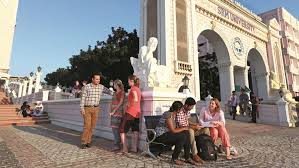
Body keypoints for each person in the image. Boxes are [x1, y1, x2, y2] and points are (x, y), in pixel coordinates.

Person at [155, 101, 197, 165]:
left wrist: (185, 128)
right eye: (181, 109)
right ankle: (174, 158)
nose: (181, 110)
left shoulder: (174, 114)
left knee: (186, 133)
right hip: (161, 136)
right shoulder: (168, 114)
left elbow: (176, 128)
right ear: (178, 109)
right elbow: (173, 130)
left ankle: (187, 157)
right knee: (182, 136)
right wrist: (184, 128)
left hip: (167, 134)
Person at [80, 74, 112, 149]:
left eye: (99, 79)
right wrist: (82, 108)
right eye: (97, 79)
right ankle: (84, 142)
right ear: (92, 79)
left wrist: (120, 93)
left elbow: (110, 92)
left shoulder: (101, 87)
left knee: (93, 126)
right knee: (87, 126)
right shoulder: (86, 87)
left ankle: (88, 141)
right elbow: (83, 98)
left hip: (96, 108)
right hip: (87, 108)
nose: (98, 80)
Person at [176, 97, 206, 164]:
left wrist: (196, 124)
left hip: (189, 128)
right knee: (191, 131)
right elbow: (181, 125)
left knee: (206, 130)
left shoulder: (187, 111)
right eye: (191, 106)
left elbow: (188, 121)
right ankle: (194, 154)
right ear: (186, 105)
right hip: (182, 131)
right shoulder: (180, 111)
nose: (192, 108)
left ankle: (206, 150)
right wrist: (193, 127)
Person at [119, 75, 141, 153]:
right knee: (135, 130)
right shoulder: (138, 89)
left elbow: (135, 99)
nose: (128, 82)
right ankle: (134, 148)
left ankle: (125, 149)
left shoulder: (133, 89)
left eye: (128, 81)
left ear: (131, 81)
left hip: (131, 112)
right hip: (137, 113)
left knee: (122, 129)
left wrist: (128, 104)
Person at [110, 79, 125, 151]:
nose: (113, 85)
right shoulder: (115, 93)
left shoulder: (121, 93)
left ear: (116, 85)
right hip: (113, 113)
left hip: (118, 113)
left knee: (115, 129)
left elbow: (120, 103)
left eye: (114, 84)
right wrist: (110, 111)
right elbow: (112, 103)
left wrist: (113, 111)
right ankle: (117, 144)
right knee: (115, 129)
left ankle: (117, 145)